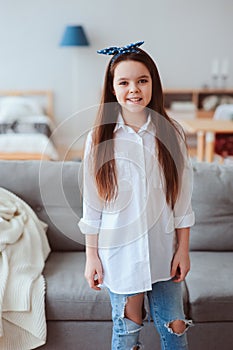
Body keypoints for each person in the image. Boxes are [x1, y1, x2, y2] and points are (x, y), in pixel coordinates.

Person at [78, 41, 195, 350]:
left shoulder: (172, 133)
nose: (134, 89)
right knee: (128, 329)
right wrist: (92, 257)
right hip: (120, 256)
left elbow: (181, 201)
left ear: (153, 84)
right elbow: (93, 205)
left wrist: (183, 249)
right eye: (124, 82)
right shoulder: (100, 138)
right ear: (112, 88)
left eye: (142, 80)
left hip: (163, 253)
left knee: (175, 327)